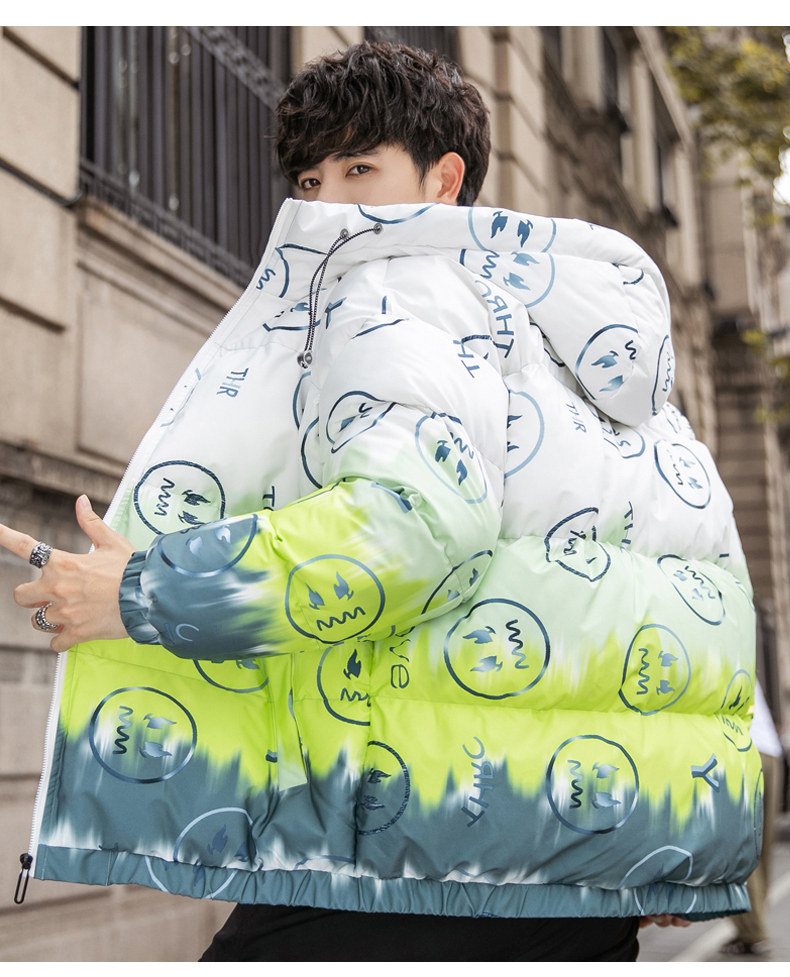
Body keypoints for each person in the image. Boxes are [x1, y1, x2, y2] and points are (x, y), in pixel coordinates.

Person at [0, 41, 762, 962]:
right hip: (573, 853)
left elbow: (415, 524)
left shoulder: (395, 282)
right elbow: (701, 579)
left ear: (445, 180)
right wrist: (670, 836)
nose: (326, 204)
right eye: (310, 180)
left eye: (360, 168)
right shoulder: (568, 339)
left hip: (423, 836)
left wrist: (146, 591)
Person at [721, 680, 784, 958]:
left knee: (738, 844)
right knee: (761, 845)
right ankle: (753, 926)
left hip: (741, 750)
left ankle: (753, 932)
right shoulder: (742, 658)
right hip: (770, 749)